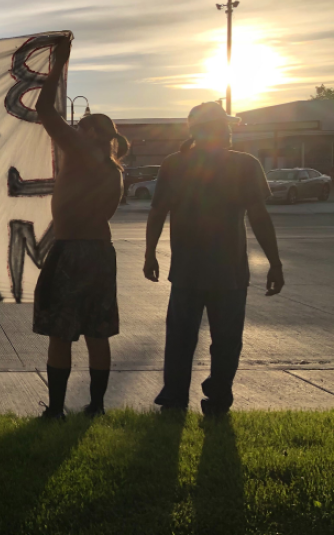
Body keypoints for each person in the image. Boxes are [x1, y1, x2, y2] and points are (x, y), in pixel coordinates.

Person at [144, 102, 284, 416]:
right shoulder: (245, 164)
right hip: (229, 271)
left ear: (193, 130)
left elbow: (157, 212)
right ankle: (218, 399)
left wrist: (150, 253)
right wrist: (275, 263)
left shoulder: (174, 164)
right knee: (227, 340)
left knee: (180, 338)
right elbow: (259, 217)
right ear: (225, 129)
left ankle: (175, 398)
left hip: (186, 270)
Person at [34, 35, 130, 419]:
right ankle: (97, 406)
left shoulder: (79, 150)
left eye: (80, 125)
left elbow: (44, 108)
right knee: (97, 331)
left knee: (61, 333)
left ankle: (55, 410)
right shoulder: (113, 169)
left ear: (90, 132)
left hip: (71, 250)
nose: (72, 128)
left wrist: (58, 64)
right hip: (100, 254)